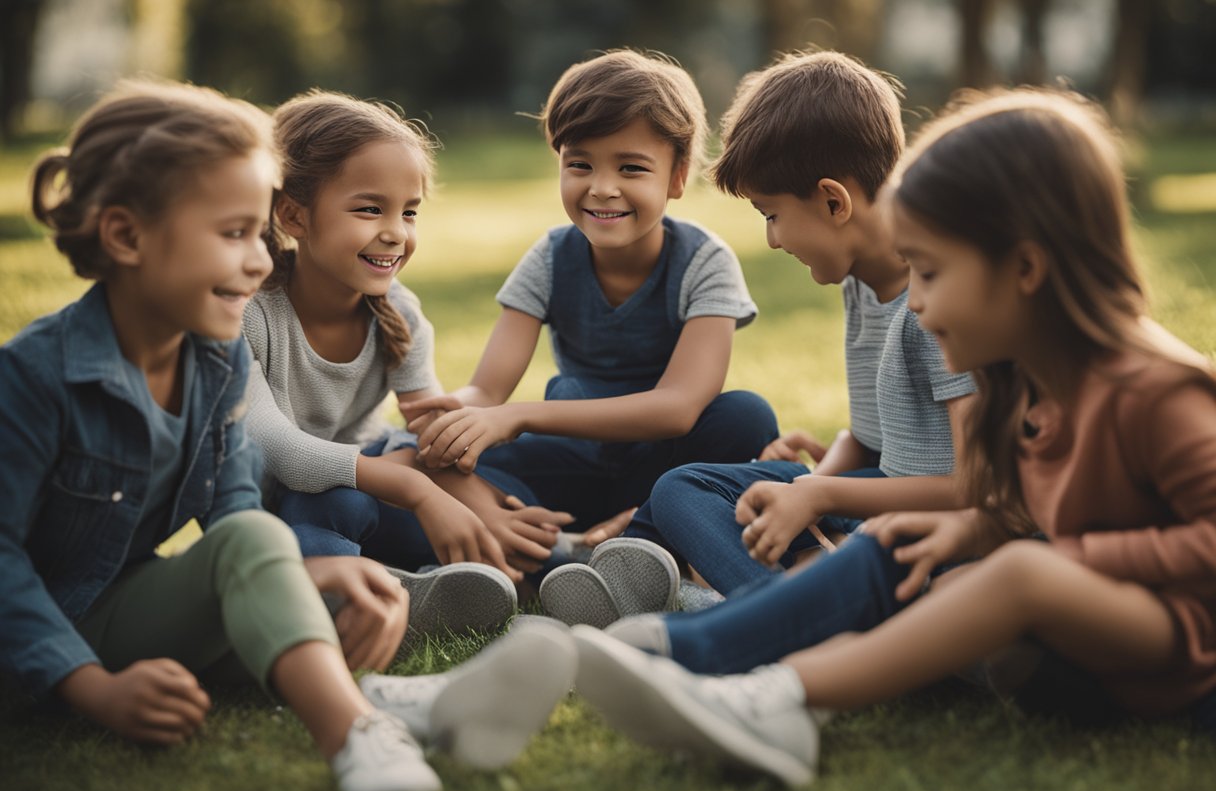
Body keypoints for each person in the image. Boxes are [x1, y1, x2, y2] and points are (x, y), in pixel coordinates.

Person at [571, 88, 1216, 787]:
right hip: (1071, 650)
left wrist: (1048, 554)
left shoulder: (1159, 393)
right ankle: (686, 650)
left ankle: (781, 693)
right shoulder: (1027, 387)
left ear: (1026, 270)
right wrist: (962, 533)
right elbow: (1019, 507)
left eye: (933, 274)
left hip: (1180, 655)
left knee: (1016, 572)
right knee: (899, 540)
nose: (922, 300)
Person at [0, 79, 574, 791]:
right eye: (234, 234)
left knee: (262, 550)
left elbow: (237, 510)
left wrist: (317, 574)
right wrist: (90, 688)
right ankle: (359, 731)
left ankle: (401, 700)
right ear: (126, 236)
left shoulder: (209, 357)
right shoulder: (33, 377)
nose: (258, 258)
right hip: (34, 650)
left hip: (119, 610)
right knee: (265, 549)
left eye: (257, 232)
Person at [544, 50, 974, 625]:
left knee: (710, 495)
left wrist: (820, 495)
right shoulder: (862, 283)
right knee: (681, 490)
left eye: (770, 214)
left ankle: (772, 611)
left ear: (832, 201)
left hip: (926, 520)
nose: (772, 239)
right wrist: (800, 491)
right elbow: (871, 445)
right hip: (868, 497)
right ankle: (628, 566)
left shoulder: (941, 302)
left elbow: (974, 487)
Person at [400, 50, 778, 560]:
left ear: (676, 176)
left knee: (744, 417)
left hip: (664, 464)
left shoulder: (704, 261)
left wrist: (522, 416)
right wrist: (455, 417)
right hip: (573, 458)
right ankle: (554, 542)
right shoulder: (551, 258)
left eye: (631, 167)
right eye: (580, 164)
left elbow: (679, 407)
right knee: (433, 460)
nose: (602, 188)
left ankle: (641, 532)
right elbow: (489, 389)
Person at [245, 91, 573, 637]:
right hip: (280, 512)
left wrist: (479, 508)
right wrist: (419, 488)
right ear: (293, 215)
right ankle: (351, 599)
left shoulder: (400, 311)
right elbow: (278, 451)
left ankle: (569, 569)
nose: (396, 231)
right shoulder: (250, 312)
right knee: (334, 505)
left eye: (409, 211)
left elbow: (430, 433)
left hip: (374, 482)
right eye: (370, 208)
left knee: (500, 502)